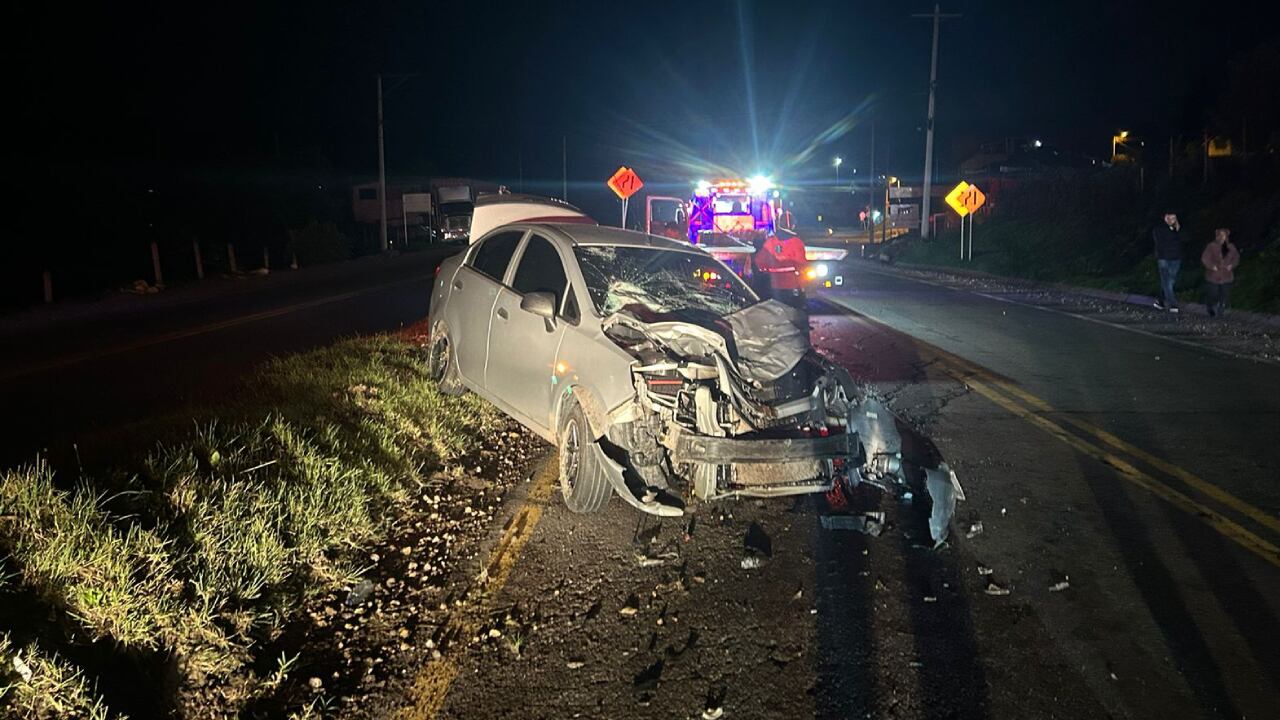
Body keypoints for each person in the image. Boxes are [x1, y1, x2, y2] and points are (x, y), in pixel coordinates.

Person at [1200, 228, 1240, 317]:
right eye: (1220, 235)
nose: (1222, 237)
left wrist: (1232, 265)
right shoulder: (1211, 246)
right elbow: (1205, 258)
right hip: (1213, 275)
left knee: (1224, 293)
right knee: (1213, 292)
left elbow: (1236, 258)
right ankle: (1210, 306)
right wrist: (1211, 266)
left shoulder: (1231, 247)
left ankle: (1221, 308)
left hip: (1227, 275)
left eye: (1224, 235)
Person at [1152, 212, 1184, 312]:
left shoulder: (1177, 229)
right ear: (1165, 218)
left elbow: (1184, 239)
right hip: (1164, 258)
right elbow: (1161, 242)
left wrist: (1178, 230)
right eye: (1169, 218)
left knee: (1170, 281)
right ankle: (1172, 304)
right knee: (1167, 281)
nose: (1171, 220)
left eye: (1173, 218)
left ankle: (1160, 301)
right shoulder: (1159, 229)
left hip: (1176, 258)